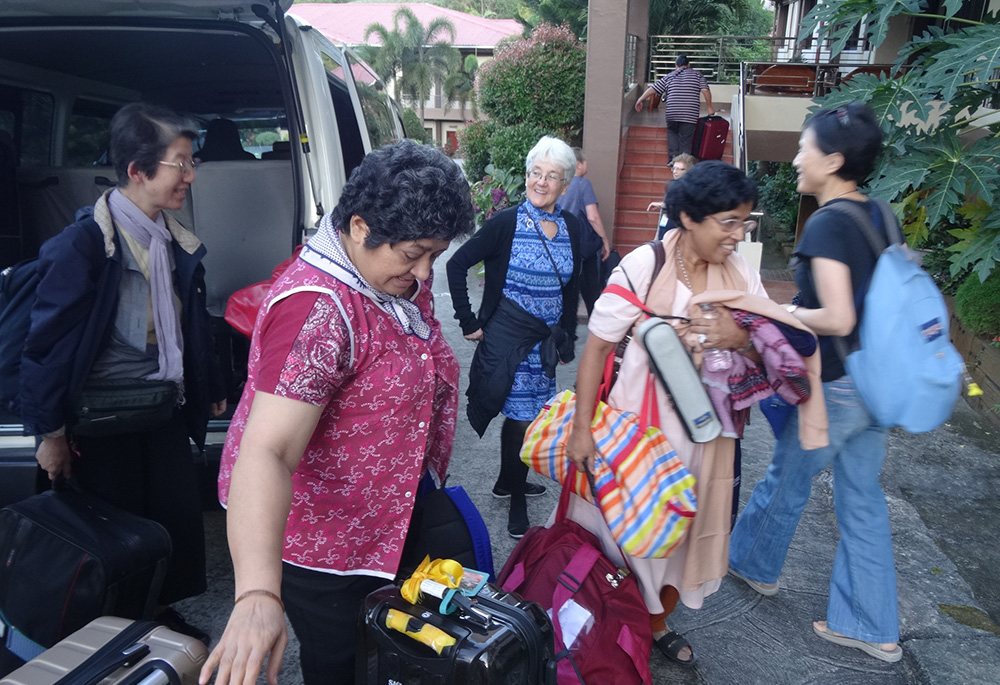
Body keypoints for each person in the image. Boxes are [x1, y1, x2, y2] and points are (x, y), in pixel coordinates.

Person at [201, 140, 475, 685]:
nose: (423, 273)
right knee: (345, 664)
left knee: (393, 653)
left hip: (386, 516)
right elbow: (270, 450)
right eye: (413, 253)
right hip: (324, 543)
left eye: (435, 256)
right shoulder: (319, 310)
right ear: (357, 226)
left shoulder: (390, 277)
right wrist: (258, 592)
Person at [20, 102, 227, 642]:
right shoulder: (85, 245)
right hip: (100, 414)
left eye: (191, 162)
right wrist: (51, 433)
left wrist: (210, 389)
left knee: (169, 518)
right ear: (137, 171)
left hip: (160, 404)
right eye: (179, 163)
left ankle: (155, 612)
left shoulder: (171, 238)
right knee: (112, 525)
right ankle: (109, 629)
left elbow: (190, 325)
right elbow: (46, 346)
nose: (190, 175)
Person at [564, 161, 764, 668]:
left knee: (681, 536)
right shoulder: (644, 265)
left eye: (745, 222)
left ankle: (654, 624)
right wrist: (582, 429)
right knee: (616, 536)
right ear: (691, 218)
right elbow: (596, 350)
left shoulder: (741, 272)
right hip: (635, 438)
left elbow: (772, 345)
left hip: (706, 440)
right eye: (729, 222)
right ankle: (595, 618)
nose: (738, 235)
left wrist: (738, 337)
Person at [727, 103, 903, 663]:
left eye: (805, 149)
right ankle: (873, 626)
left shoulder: (828, 223)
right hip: (879, 382)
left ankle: (753, 565)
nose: (798, 158)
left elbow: (839, 316)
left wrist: (771, 309)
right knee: (862, 502)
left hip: (838, 384)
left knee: (787, 478)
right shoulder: (882, 214)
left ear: (832, 160)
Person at [447, 136, 581, 539]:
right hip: (507, 336)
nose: (542, 182)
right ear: (526, 177)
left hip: (543, 341)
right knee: (522, 417)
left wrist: (567, 336)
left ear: (565, 184)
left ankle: (509, 481)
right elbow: (456, 264)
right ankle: (516, 499)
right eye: (535, 173)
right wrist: (468, 321)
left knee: (536, 415)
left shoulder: (570, 226)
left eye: (552, 176)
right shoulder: (506, 223)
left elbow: (571, 286)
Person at [635, 55, 715, 162]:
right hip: (689, 114)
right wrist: (710, 108)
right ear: (689, 65)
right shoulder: (697, 75)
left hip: (672, 113)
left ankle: (673, 158)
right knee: (686, 139)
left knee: (672, 132)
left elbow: (653, 89)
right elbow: (705, 90)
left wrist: (640, 99)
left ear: (676, 66)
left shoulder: (670, 76)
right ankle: (684, 163)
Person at [560, 147, 611, 315]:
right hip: (582, 247)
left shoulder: (559, 183)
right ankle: (597, 326)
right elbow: (593, 217)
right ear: (578, 164)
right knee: (591, 290)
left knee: (566, 291)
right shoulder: (583, 184)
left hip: (560, 244)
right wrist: (604, 240)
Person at [647, 153, 697, 239]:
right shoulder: (672, 187)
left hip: (679, 236)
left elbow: (682, 205)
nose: (675, 171)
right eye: (674, 168)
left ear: (688, 171)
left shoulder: (692, 189)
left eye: (679, 169)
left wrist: (661, 205)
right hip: (664, 233)